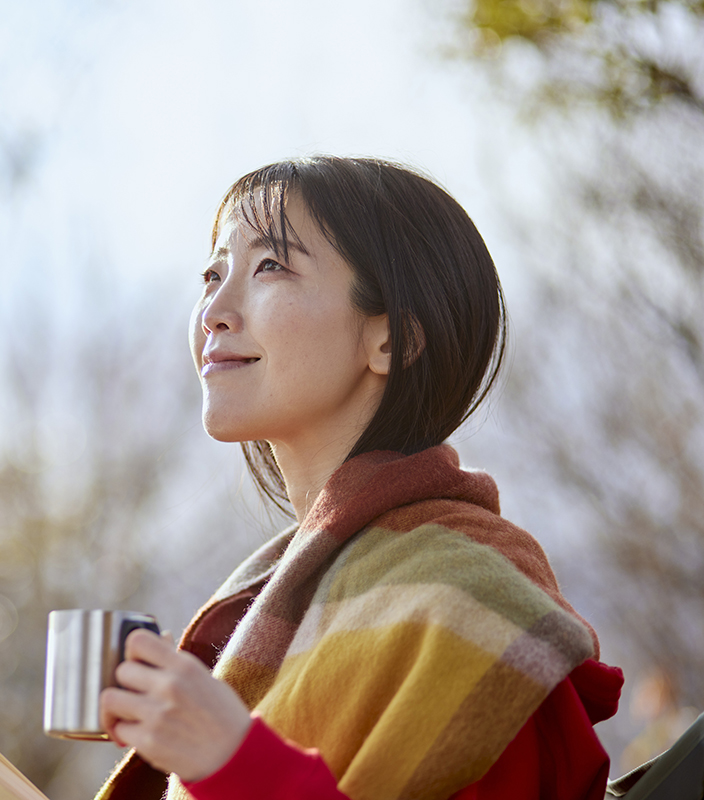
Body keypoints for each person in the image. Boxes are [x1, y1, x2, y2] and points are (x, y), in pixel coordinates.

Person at [94, 156, 624, 800]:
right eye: (212, 274)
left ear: (392, 340)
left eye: (270, 265)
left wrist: (232, 761)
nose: (214, 311)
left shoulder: (462, 603)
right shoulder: (280, 596)